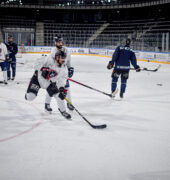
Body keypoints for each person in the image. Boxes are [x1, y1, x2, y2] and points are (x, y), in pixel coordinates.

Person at [25, 49, 72, 119]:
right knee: (30, 97)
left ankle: (63, 111)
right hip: (37, 79)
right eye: (62, 58)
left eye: (64, 58)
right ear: (57, 57)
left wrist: (61, 88)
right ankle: (27, 95)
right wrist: (42, 68)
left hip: (49, 83)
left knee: (59, 95)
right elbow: (36, 64)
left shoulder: (64, 69)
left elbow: (62, 79)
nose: (64, 60)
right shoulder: (48, 59)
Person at [44, 35, 74, 114]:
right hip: (55, 72)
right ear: (55, 43)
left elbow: (68, 61)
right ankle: (47, 104)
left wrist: (70, 68)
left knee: (67, 87)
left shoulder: (66, 50)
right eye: (58, 42)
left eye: (61, 42)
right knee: (51, 89)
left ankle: (69, 103)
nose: (60, 43)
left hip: (63, 72)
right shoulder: (53, 51)